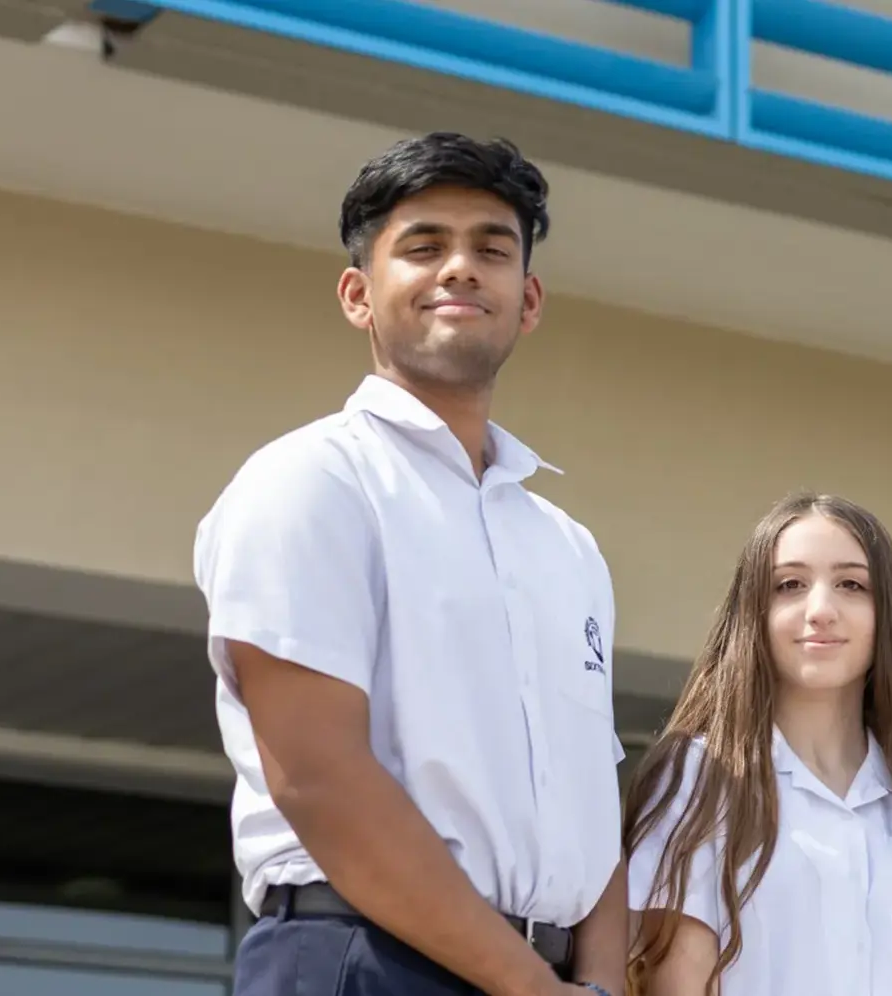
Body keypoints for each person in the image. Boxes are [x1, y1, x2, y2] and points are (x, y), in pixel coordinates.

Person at [192, 133, 627, 996]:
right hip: (360, 961)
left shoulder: (567, 546)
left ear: (528, 299)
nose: (460, 268)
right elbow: (319, 778)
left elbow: (591, 801)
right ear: (358, 294)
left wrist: (603, 980)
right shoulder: (311, 481)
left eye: (491, 250)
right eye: (423, 246)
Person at [621, 493, 892, 995]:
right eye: (789, 585)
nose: (821, 610)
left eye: (851, 585)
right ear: (754, 611)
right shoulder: (698, 779)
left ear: (887, 617)